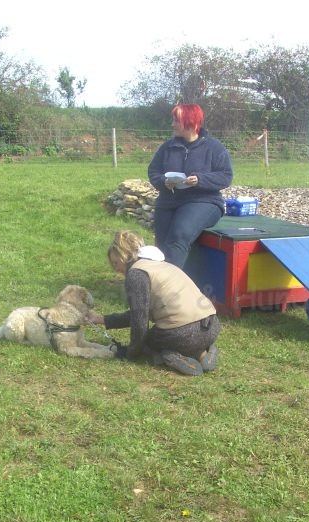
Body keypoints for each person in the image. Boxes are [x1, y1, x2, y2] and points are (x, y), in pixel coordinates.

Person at [87, 230, 221, 376]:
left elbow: (139, 322)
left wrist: (130, 353)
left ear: (124, 255)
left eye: (115, 263)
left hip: (183, 335)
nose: (116, 269)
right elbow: (138, 314)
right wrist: (101, 320)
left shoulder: (136, 274)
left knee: (147, 342)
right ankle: (203, 351)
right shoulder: (161, 265)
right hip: (211, 326)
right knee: (179, 337)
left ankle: (171, 355)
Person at [147, 104, 233, 269]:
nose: (172, 124)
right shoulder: (167, 147)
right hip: (168, 201)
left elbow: (226, 176)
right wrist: (164, 181)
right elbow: (153, 172)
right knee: (161, 245)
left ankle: (170, 282)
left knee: (178, 236)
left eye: (176, 120)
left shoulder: (214, 147)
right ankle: (159, 279)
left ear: (190, 123)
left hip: (203, 201)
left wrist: (200, 179)